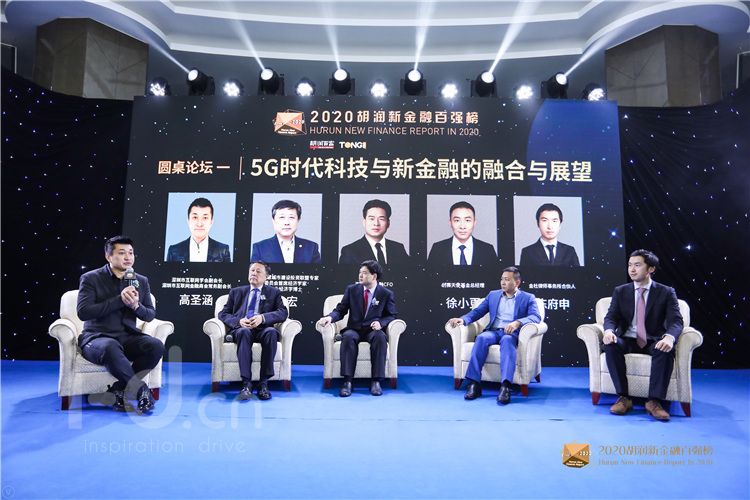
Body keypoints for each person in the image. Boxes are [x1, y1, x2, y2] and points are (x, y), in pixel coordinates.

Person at [77, 236, 165, 414]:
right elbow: (83, 312)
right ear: (108, 256)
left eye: (131, 253)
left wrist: (136, 306)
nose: (128, 257)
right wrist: (119, 300)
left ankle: (119, 389)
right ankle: (142, 391)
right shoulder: (91, 278)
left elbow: (150, 315)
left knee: (155, 346)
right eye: (122, 253)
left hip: (127, 337)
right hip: (97, 338)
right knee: (110, 346)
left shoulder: (140, 280)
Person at [602, 249, 683, 421]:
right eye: (630, 265)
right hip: (628, 339)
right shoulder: (620, 291)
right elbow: (611, 317)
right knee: (610, 345)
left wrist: (669, 337)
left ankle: (654, 401)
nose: (632, 269)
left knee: (665, 349)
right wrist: (608, 330)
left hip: (652, 339)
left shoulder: (666, 292)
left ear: (651, 269)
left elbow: (676, 321)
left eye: (637, 265)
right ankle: (624, 398)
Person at [448, 266, 540, 405]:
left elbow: (536, 317)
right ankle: (474, 383)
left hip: (511, 333)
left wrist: (518, 323)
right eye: (502, 279)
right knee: (481, 338)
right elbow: (478, 312)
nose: (503, 282)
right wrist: (463, 319)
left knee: (507, 341)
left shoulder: (528, 298)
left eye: (507, 279)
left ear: (517, 282)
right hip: (494, 331)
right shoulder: (493, 295)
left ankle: (505, 386)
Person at [317, 260, 398, 397]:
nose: (360, 275)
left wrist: (381, 323)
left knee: (380, 337)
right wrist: (329, 318)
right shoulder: (352, 290)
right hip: (354, 329)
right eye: (360, 272)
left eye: (365, 273)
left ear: (374, 276)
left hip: (373, 330)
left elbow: (392, 315)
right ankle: (347, 381)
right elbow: (340, 310)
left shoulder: (385, 293)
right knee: (348, 337)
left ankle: (376, 381)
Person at [218, 261, 288, 401]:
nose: (254, 273)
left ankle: (263, 383)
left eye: (258, 271)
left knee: (271, 332)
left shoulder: (273, 293)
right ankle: (246, 384)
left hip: (263, 329)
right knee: (243, 332)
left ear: (267, 276)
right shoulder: (236, 292)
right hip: (243, 329)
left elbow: (283, 312)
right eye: (252, 271)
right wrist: (239, 321)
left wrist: (263, 318)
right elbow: (223, 314)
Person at [339, 199, 409, 266]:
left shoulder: (398, 248)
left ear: (388, 223)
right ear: (364, 222)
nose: (376, 223)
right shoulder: (350, 251)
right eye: (371, 219)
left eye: (381, 219)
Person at [427, 201, 497, 266]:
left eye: (467, 220)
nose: (462, 226)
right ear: (450, 222)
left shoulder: (487, 250)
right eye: (457, 220)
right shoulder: (437, 249)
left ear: (474, 222)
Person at [251, 200, 321, 264]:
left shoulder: (311, 248)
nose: (286, 222)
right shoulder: (260, 248)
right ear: (273, 221)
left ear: (298, 220)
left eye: (291, 217)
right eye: (282, 217)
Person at [166, 197, 231, 263]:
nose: (199, 224)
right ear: (188, 221)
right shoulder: (174, 251)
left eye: (205, 218)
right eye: (195, 217)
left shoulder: (223, 251)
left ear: (211, 222)